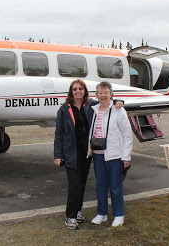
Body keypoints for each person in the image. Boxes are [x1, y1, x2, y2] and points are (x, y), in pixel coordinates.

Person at [54, 79, 123, 230]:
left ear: (85, 91)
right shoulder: (64, 109)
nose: (78, 91)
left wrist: (118, 101)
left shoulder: (90, 105)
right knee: (74, 185)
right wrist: (57, 155)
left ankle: (77, 212)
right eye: (75, 89)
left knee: (82, 184)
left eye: (80, 89)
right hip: (71, 154)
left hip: (86, 154)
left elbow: (106, 101)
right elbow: (59, 133)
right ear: (71, 92)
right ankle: (70, 216)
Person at [89, 81, 133, 227]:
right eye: (100, 93)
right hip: (98, 154)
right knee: (100, 186)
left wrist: (126, 157)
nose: (103, 95)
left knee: (115, 187)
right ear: (96, 95)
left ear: (111, 94)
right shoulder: (93, 109)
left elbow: (127, 135)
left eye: (106, 92)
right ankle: (102, 213)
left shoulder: (118, 110)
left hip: (114, 155)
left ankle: (119, 215)